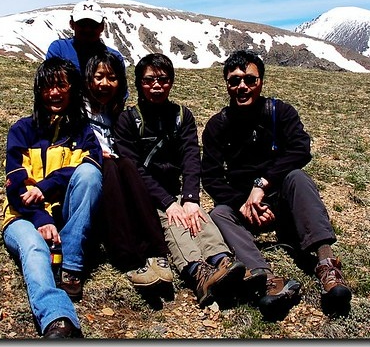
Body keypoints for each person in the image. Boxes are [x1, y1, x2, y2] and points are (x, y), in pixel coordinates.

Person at [201, 50, 352, 317]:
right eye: (234, 81)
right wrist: (244, 203)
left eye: (249, 79)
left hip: (281, 200)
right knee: (218, 213)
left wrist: (261, 186)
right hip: (245, 207)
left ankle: (327, 265)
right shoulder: (217, 126)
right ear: (226, 84)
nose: (242, 87)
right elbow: (211, 177)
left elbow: (300, 149)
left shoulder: (279, 112)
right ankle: (266, 276)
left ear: (261, 81)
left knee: (297, 177)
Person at [114, 53, 247, 308]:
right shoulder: (128, 120)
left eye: (163, 79)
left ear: (171, 82)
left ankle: (222, 262)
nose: (156, 85)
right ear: (139, 83)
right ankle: (198, 273)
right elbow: (133, 169)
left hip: (176, 191)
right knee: (173, 223)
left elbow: (190, 158)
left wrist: (190, 199)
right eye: (149, 80)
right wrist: (168, 202)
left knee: (199, 218)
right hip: (147, 196)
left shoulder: (182, 116)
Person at [2, 57, 103, 339]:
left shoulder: (84, 133)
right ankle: (57, 318)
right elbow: (16, 187)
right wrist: (41, 218)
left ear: (73, 90)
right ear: (38, 91)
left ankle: (71, 263)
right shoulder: (21, 130)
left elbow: (89, 169)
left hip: (67, 218)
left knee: (89, 175)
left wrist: (45, 186)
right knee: (33, 249)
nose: (54, 93)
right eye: (47, 86)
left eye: (61, 85)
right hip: (22, 217)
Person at [82, 52, 173, 290]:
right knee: (113, 166)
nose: (104, 84)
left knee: (129, 166)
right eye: (99, 77)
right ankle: (128, 257)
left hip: (118, 167)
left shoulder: (118, 113)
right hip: (90, 170)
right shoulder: (78, 111)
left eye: (111, 78)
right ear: (88, 80)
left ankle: (157, 250)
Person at [46, 0, 126, 75]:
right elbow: (51, 84)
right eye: (82, 24)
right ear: (72, 24)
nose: (88, 29)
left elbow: (121, 89)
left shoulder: (115, 57)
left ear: (102, 27)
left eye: (93, 24)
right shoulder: (59, 49)